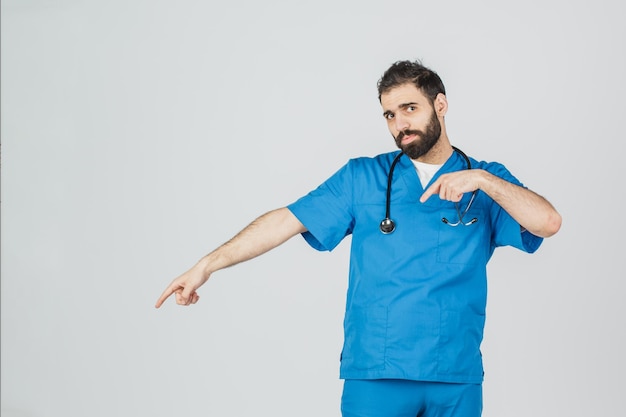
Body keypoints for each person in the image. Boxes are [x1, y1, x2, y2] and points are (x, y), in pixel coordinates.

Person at [155, 60, 562, 417]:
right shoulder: (362, 178)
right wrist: (206, 265)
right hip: (376, 374)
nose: (399, 124)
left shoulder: (486, 182)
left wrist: (483, 180)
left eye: (409, 109)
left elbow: (547, 221)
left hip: (455, 375)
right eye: (388, 115)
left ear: (440, 105)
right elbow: (286, 220)